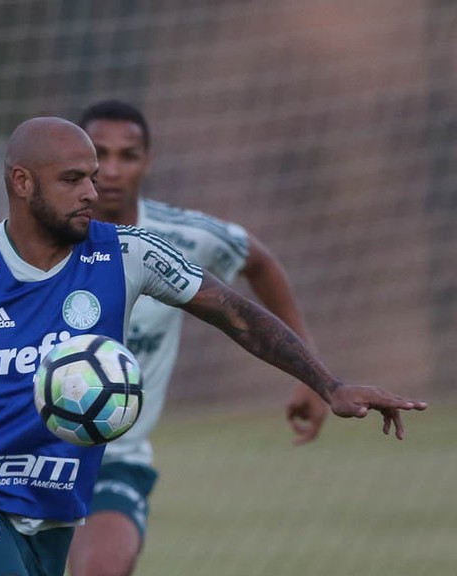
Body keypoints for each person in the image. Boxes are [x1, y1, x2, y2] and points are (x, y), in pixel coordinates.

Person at [0, 116, 425, 576]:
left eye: (95, 174)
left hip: (56, 509)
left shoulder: (126, 256)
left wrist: (328, 382)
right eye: (75, 179)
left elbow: (236, 313)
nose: (96, 189)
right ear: (21, 183)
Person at [67, 99, 329, 576]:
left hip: (114, 458)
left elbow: (258, 261)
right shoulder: (40, 240)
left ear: (148, 161)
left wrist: (309, 372)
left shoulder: (181, 237)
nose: (112, 170)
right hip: (23, 450)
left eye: (128, 155)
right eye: (99, 154)